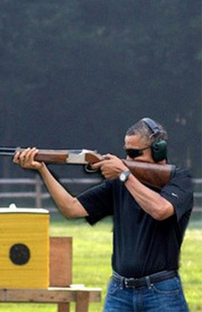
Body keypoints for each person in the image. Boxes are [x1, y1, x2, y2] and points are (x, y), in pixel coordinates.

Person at [13, 117, 193, 312]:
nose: (128, 159)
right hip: (119, 290)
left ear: (159, 151)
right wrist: (42, 169)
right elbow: (71, 208)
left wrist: (125, 175)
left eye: (134, 153)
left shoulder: (178, 179)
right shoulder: (119, 183)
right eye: (126, 153)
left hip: (161, 291)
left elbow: (160, 210)